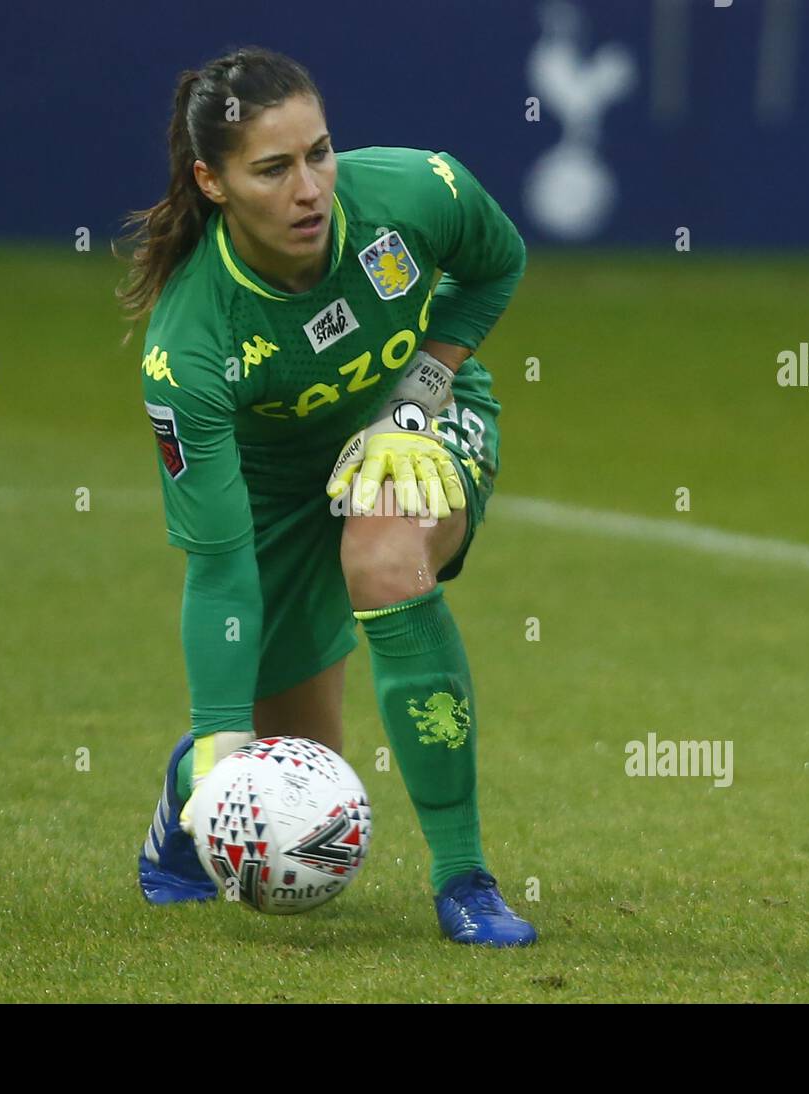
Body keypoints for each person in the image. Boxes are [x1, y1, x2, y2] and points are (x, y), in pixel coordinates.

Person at [116, 46, 536, 946]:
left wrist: (421, 393)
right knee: (302, 795)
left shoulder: (417, 192)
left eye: (319, 152)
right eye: (273, 168)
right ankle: (190, 780)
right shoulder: (188, 345)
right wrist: (225, 752)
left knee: (382, 553)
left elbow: (497, 262)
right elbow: (222, 568)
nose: (310, 188)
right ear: (213, 181)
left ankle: (465, 878)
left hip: (415, 421)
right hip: (275, 497)